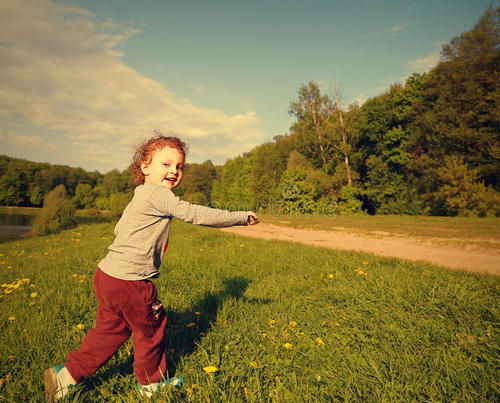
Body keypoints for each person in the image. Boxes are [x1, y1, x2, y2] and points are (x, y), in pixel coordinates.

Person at [44, 134, 258, 401]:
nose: (174, 171)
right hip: (130, 281)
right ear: (145, 166)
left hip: (108, 276)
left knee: (111, 331)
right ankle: (152, 385)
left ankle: (66, 376)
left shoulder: (141, 194)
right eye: (166, 164)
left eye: (179, 167)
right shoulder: (158, 194)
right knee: (151, 328)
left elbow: (119, 228)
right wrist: (239, 217)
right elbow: (195, 214)